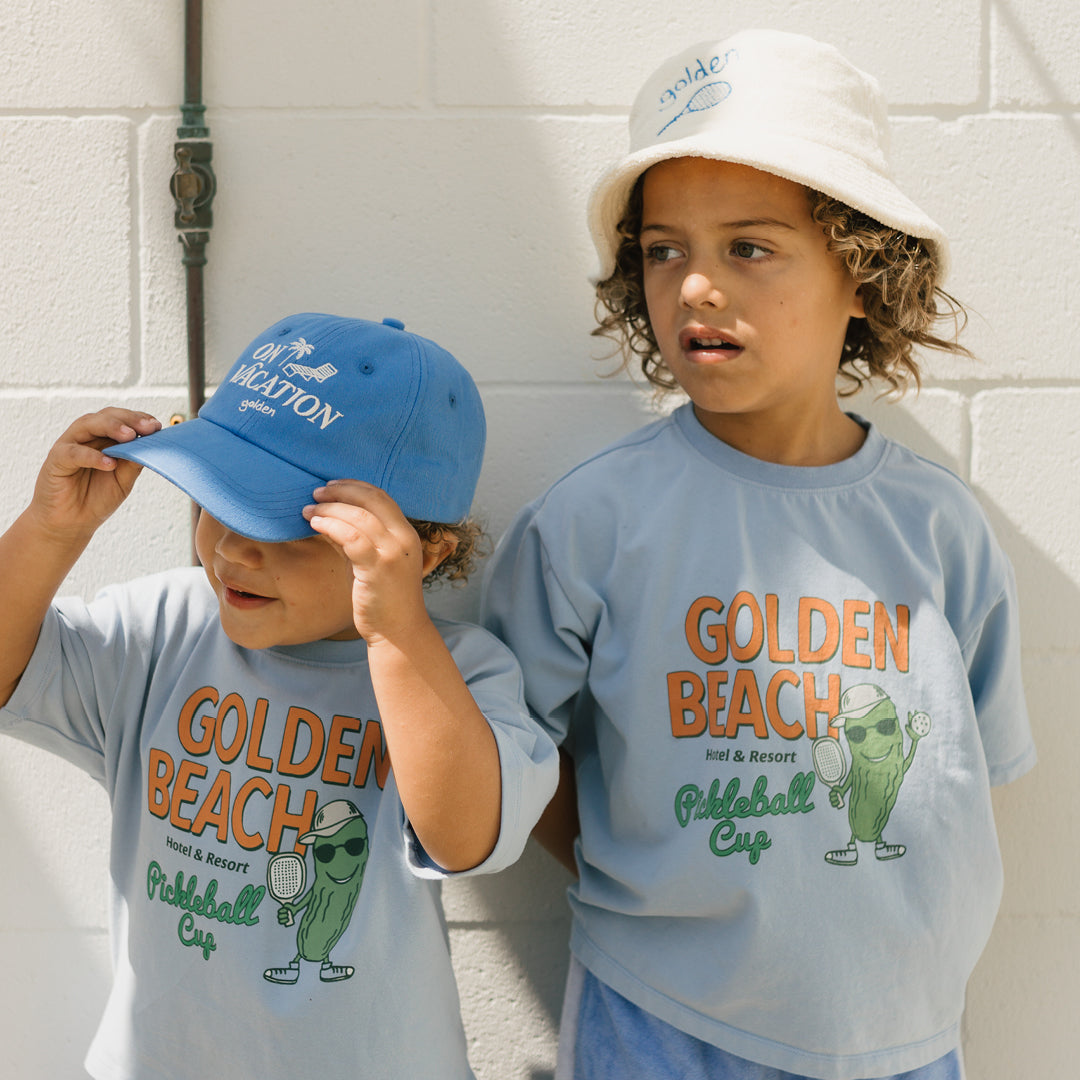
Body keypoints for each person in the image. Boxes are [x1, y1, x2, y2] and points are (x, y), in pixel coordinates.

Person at [481, 29, 1035, 1080]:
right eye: (663, 250)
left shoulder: (937, 529)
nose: (694, 286)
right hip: (662, 1018)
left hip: (901, 1036)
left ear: (863, 274)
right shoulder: (593, 521)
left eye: (749, 246)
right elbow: (511, 761)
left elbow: (968, 774)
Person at [0, 312, 558, 1080]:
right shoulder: (164, 628)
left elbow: (465, 838)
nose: (233, 548)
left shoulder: (457, 674)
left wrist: (395, 633)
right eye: (217, 500)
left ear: (423, 554)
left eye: (292, 524)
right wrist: (51, 532)